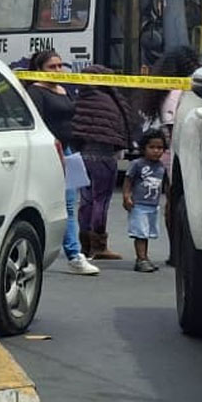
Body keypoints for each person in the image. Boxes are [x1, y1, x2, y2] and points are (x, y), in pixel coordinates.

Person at [24, 50, 101, 276]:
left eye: (60, 66)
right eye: (52, 67)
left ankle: (73, 255)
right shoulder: (36, 92)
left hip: (68, 151)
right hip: (50, 152)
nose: (58, 71)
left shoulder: (62, 89)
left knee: (69, 204)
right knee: (52, 203)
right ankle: (66, 253)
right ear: (40, 70)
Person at [137, 45, 200, 266]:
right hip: (176, 152)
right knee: (176, 204)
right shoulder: (178, 91)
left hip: (169, 152)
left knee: (172, 203)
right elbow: (173, 128)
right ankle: (178, 252)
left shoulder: (165, 89)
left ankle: (176, 252)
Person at [70, 64, 136, 261]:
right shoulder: (108, 100)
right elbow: (119, 128)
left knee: (86, 201)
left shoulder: (80, 99)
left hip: (81, 156)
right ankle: (99, 245)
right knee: (101, 200)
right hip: (104, 156)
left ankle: (85, 245)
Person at [123, 129, 169, 273]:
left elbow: (166, 185)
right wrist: (126, 196)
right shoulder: (137, 164)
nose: (156, 151)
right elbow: (128, 180)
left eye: (159, 148)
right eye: (152, 147)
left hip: (153, 206)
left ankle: (144, 258)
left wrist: (168, 202)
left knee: (147, 233)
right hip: (139, 205)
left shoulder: (162, 167)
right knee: (140, 234)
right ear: (144, 148)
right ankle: (141, 259)